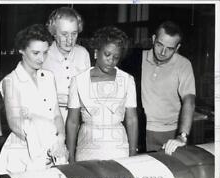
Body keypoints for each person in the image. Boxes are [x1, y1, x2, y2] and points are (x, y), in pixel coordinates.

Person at [0, 24, 68, 174]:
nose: (41, 58)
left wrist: (61, 139)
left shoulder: (49, 77)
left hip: (54, 147)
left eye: (45, 52)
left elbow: (56, 114)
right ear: (21, 50)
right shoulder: (11, 81)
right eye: (36, 53)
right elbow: (14, 123)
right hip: (25, 150)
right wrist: (44, 145)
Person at [66, 26, 138, 162]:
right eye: (107, 54)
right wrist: (70, 156)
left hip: (118, 146)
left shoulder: (127, 80)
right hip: (87, 144)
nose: (111, 60)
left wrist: (133, 154)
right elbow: (73, 121)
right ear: (96, 53)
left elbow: (132, 120)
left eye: (116, 57)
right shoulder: (79, 80)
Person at [141, 21, 196, 155]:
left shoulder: (184, 64)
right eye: (160, 45)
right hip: (139, 131)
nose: (163, 52)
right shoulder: (138, 59)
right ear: (153, 39)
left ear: (177, 48)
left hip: (169, 134)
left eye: (170, 48)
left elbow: (189, 100)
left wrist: (182, 136)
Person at [42, 7, 91, 122]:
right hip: (50, 117)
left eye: (74, 33)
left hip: (77, 116)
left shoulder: (83, 54)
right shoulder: (44, 54)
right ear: (53, 32)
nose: (70, 40)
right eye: (64, 34)